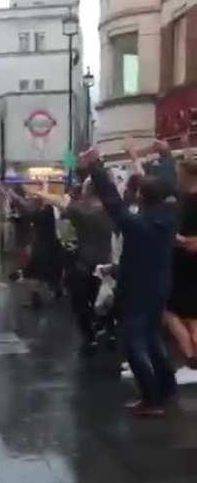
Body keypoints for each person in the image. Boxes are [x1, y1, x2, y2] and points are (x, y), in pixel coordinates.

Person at [79, 148, 177, 418]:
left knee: (135, 344)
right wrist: (165, 157)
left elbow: (112, 201)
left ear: (143, 198)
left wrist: (96, 167)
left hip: (137, 288)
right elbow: (166, 181)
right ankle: (166, 388)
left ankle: (151, 399)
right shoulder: (169, 217)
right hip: (160, 285)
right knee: (153, 338)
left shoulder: (138, 225)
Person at [34, 181, 113, 355]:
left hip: (85, 262)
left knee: (80, 301)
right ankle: (106, 328)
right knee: (103, 298)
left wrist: (40, 192)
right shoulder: (112, 210)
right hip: (107, 261)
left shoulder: (81, 211)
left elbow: (58, 201)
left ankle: (89, 336)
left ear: (87, 192)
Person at [165, 152, 197, 384]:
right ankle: (192, 362)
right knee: (191, 315)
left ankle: (191, 361)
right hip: (184, 262)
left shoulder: (187, 202)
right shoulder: (184, 199)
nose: (177, 178)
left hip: (186, 264)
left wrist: (179, 239)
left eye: (179, 174)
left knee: (170, 312)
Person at [8, 187, 64, 309]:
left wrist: (15, 196)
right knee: (51, 272)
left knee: (32, 274)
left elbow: (26, 209)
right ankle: (57, 290)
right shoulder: (51, 211)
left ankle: (36, 300)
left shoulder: (40, 213)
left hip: (42, 248)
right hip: (53, 246)